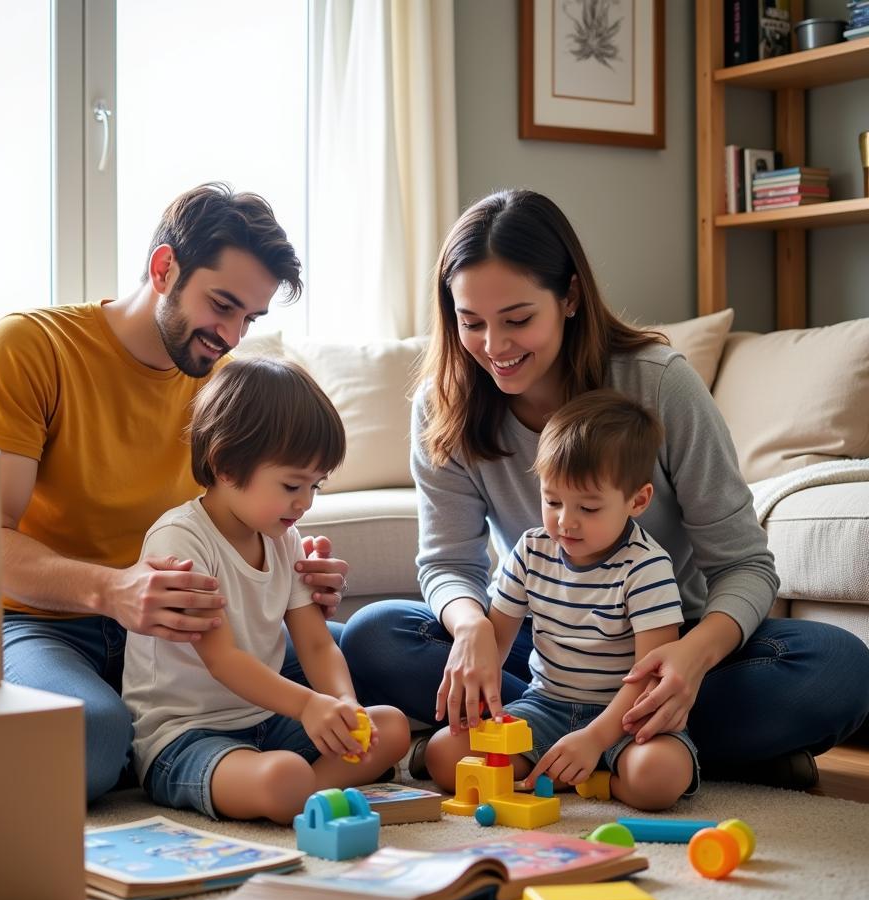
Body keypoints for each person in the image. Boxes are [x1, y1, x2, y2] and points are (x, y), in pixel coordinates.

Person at [341, 188, 869, 789]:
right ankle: (676, 748)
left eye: (517, 320)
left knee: (838, 668)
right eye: (471, 322)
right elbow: (447, 565)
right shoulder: (444, 407)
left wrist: (690, 661)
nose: (494, 346)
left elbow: (746, 567)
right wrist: (471, 631)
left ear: (568, 297)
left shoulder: (658, 383)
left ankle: (609, 737)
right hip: (544, 655)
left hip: (666, 643)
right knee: (377, 635)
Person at [0, 183, 350, 803]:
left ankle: (191, 750)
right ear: (165, 268)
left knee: (374, 658)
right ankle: (165, 751)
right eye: (222, 305)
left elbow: (237, 516)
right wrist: (113, 589)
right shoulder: (32, 348)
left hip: (180, 636)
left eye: (249, 318)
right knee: (88, 741)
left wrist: (284, 562)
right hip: (45, 623)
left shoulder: (224, 386)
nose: (232, 335)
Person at [122, 358, 410, 823]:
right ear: (226, 465)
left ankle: (302, 798)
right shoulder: (181, 540)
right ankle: (300, 794)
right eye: (293, 484)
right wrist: (308, 705)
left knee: (390, 727)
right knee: (282, 777)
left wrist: (343, 705)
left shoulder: (282, 537)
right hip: (187, 736)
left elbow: (315, 642)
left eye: (316, 485)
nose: (306, 502)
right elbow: (223, 660)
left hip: (265, 722)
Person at [424, 390, 697, 810]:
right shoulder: (532, 550)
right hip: (545, 705)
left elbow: (650, 678)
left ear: (637, 501)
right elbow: (494, 643)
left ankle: (598, 781)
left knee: (659, 778)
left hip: (624, 715)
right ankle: (563, 770)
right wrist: (482, 701)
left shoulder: (647, 567)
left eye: (588, 508)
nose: (565, 521)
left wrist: (596, 738)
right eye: (552, 501)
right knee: (444, 754)